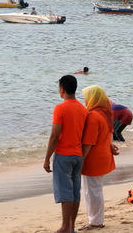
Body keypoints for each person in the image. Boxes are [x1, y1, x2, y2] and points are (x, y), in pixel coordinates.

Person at [43, 75, 88, 233]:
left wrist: (47, 158)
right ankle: (71, 227)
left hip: (63, 154)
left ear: (62, 89)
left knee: (65, 192)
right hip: (78, 155)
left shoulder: (60, 108)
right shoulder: (83, 108)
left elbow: (54, 136)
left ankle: (65, 226)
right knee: (75, 191)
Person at [81, 85, 119, 229]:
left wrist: (80, 159)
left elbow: (89, 142)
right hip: (103, 156)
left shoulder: (93, 116)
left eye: (87, 97)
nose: (85, 100)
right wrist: (110, 146)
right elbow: (106, 135)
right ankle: (95, 219)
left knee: (92, 191)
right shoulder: (104, 113)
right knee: (94, 189)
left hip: (93, 159)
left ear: (93, 99)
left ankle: (96, 221)